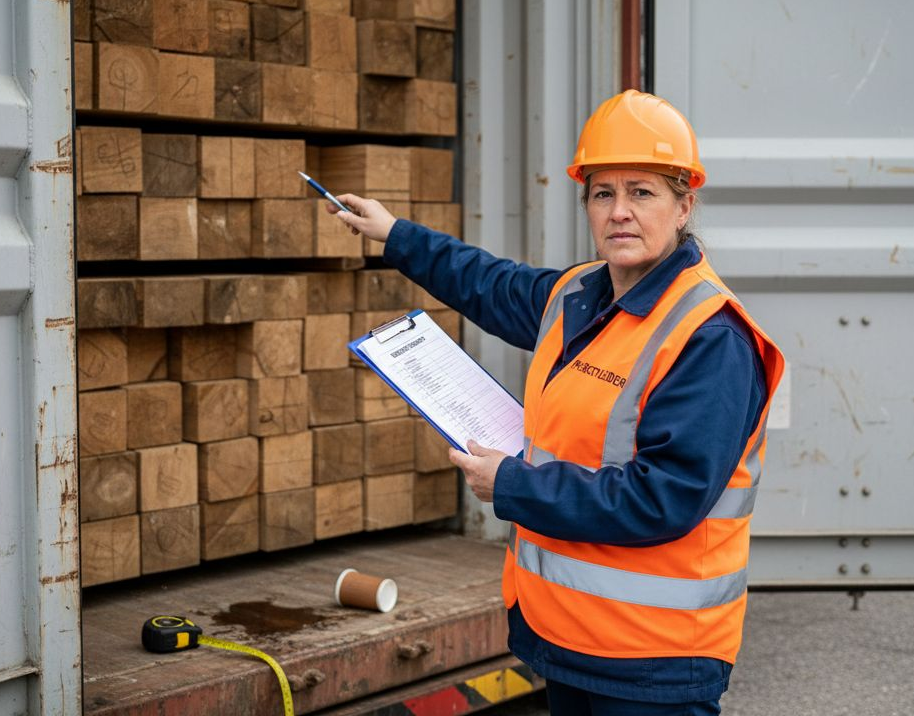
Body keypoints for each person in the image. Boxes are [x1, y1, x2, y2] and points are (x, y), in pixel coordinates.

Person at [327, 90, 785, 716]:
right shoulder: (577, 297)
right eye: (603, 193)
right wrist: (395, 235)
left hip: (654, 663)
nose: (620, 212)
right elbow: (486, 282)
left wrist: (513, 485)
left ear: (685, 205)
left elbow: (664, 500)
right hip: (569, 640)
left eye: (641, 192)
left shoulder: (710, 337)